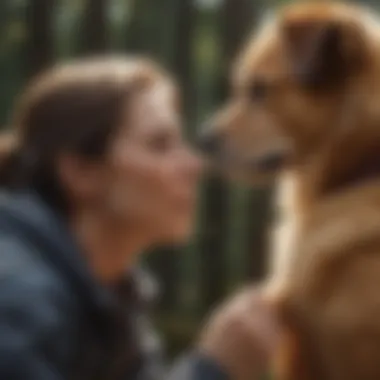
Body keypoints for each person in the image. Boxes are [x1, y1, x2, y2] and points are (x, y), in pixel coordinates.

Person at [0, 56, 278, 380]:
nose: (193, 165)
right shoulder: (16, 297)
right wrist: (211, 370)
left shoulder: (112, 299)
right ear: (80, 172)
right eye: (160, 145)